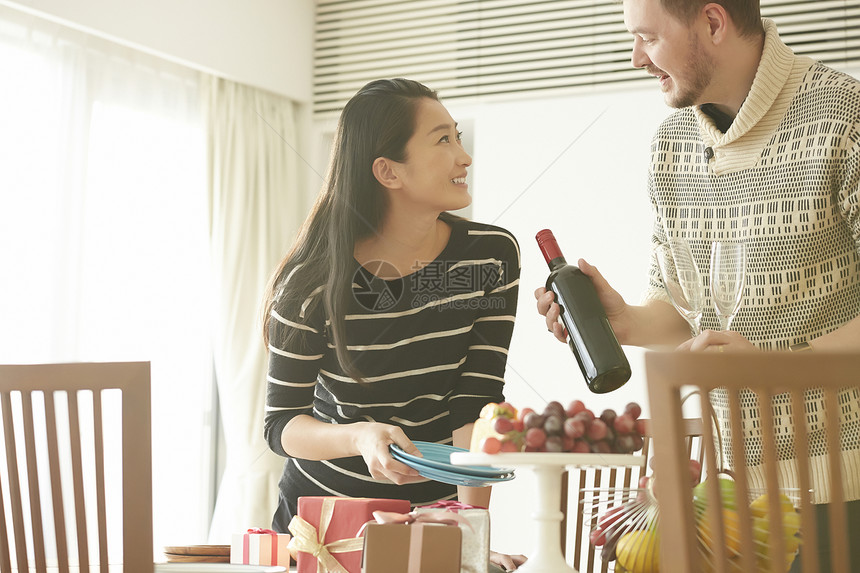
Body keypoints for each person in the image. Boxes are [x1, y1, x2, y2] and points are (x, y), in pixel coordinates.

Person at [535, 0, 860, 570]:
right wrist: (630, 322)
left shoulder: (844, 115)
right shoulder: (672, 144)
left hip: (844, 490)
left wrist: (774, 366)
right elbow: (683, 310)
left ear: (713, 23)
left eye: (648, 38)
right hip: (729, 499)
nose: (636, 58)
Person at [262, 78, 526, 571]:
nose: (463, 157)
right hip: (328, 530)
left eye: (458, 138)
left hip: (435, 521)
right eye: (442, 140)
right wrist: (360, 436)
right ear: (387, 171)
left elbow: (475, 402)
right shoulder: (310, 285)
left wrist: (468, 538)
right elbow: (281, 424)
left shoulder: (491, 256)